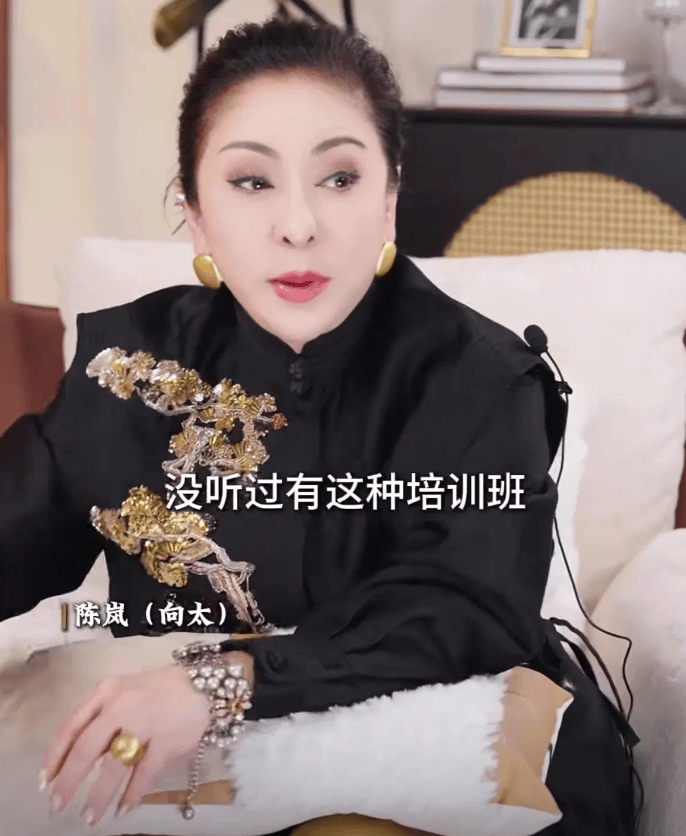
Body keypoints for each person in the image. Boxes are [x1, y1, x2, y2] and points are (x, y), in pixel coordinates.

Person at [0, 15, 637, 836]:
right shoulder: (131, 369)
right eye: (251, 181)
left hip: (459, 777)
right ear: (195, 213)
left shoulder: (480, 377)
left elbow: (459, 605)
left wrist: (219, 682)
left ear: (389, 200)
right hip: (197, 797)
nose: (298, 225)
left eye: (338, 177)